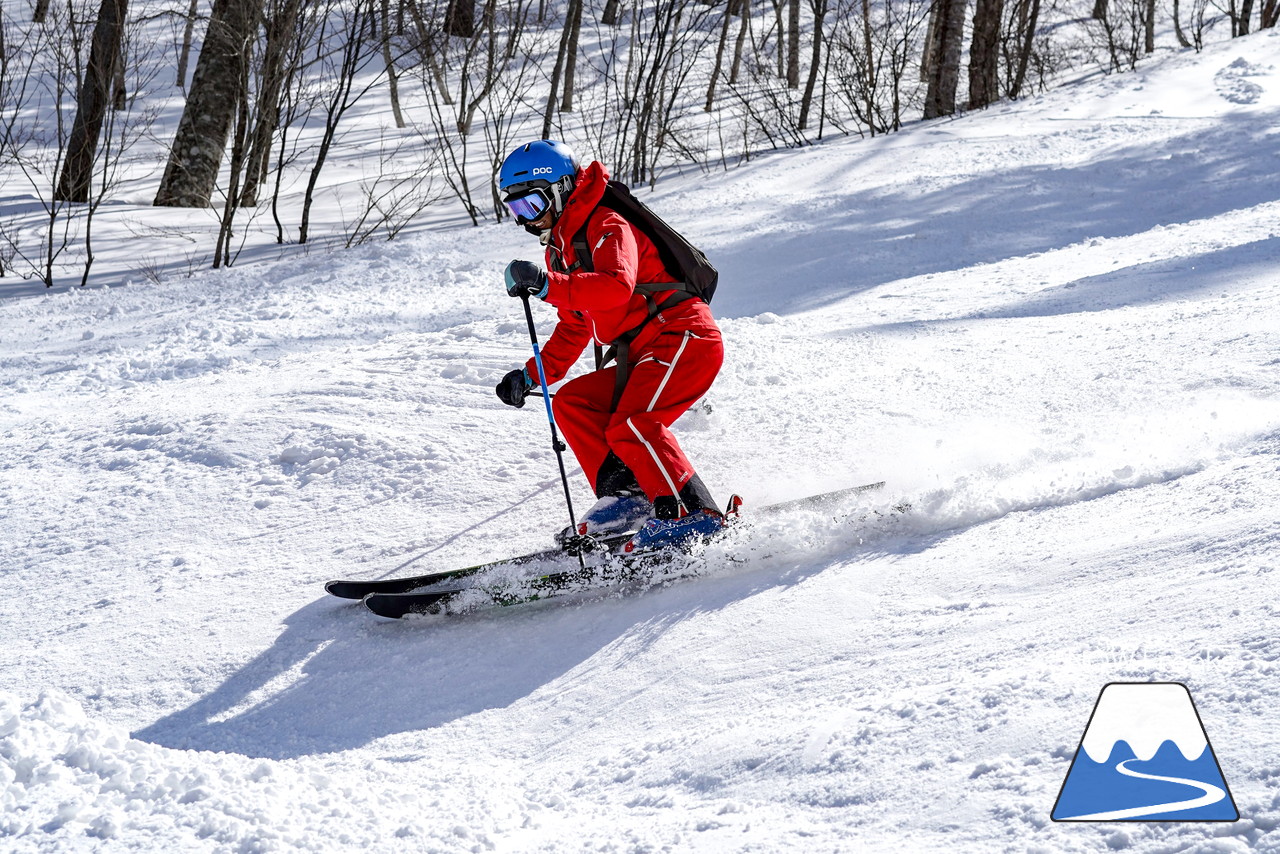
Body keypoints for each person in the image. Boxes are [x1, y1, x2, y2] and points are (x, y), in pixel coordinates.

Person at [494, 140, 725, 552]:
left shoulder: (607, 224)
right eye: (516, 211)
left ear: (562, 189)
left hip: (683, 337)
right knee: (572, 403)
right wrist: (531, 375)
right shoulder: (561, 250)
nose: (526, 221)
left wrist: (549, 286)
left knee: (634, 422)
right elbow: (573, 326)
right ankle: (629, 498)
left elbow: (616, 287)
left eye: (531, 206)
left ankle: (696, 514)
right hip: (645, 353)